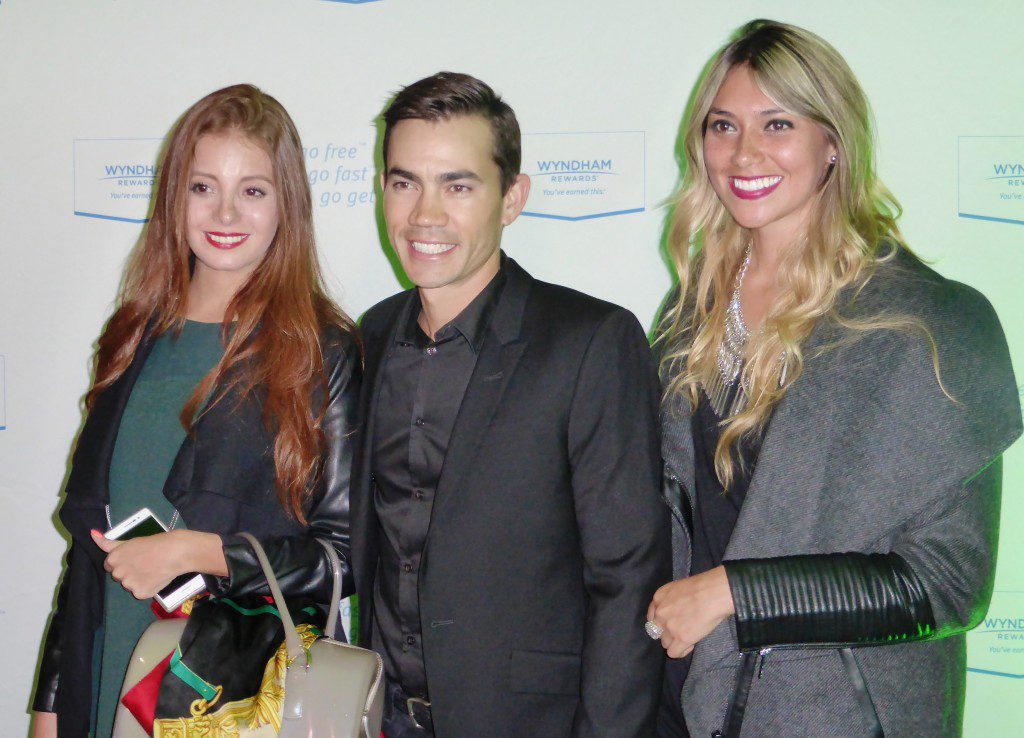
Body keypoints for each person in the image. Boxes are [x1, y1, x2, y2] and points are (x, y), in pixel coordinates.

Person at [648, 19, 1022, 738]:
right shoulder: (687, 313)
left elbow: (947, 584)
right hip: (691, 705)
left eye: (777, 123)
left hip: (842, 715)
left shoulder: (932, 324)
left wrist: (734, 593)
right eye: (722, 125)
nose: (744, 151)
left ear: (833, 144)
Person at [30, 84, 360, 737]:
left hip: (230, 702)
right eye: (203, 186)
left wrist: (201, 552)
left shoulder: (324, 351)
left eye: (254, 190)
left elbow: (345, 558)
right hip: (105, 683)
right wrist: (49, 708)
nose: (227, 211)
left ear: (286, 204)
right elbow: (86, 556)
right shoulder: (132, 337)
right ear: (174, 197)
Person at [351, 71, 669, 738]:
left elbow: (627, 578)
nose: (425, 216)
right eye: (405, 182)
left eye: (458, 185)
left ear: (512, 197)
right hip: (384, 719)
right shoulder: (369, 337)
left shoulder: (589, 342)